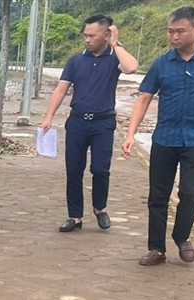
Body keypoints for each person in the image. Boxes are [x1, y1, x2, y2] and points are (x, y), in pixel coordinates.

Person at [122, 5, 194, 266]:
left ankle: (181, 237)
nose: (174, 37)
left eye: (180, 31)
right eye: (170, 32)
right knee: (158, 196)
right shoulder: (162, 63)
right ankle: (156, 249)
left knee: (190, 193)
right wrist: (130, 134)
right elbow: (144, 97)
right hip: (165, 138)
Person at [41, 14, 138, 233]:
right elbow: (61, 89)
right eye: (85, 35)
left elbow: (132, 67)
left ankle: (100, 208)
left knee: (100, 169)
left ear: (105, 35)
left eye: (92, 36)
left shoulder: (115, 59)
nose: (87, 39)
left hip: (103, 123)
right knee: (74, 170)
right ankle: (75, 216)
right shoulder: (76, 60)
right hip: (77, 122)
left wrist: (116, 42)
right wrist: (48, 117)